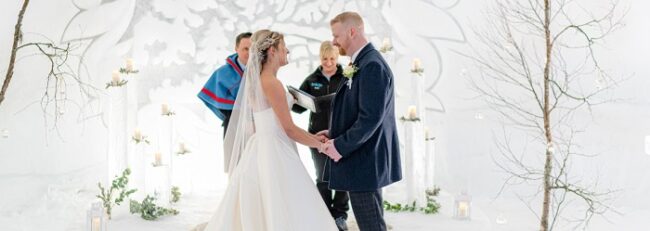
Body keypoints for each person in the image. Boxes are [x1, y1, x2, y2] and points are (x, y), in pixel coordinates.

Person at [201, 29, 338, 231]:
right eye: (284, 48)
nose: (287, 51)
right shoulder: (271, 83)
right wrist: (320, 145)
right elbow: (289, 129)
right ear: (272, 51)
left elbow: (271, 123)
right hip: (274, 149)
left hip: (262, 145)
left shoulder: (258, 80)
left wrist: (312, 136)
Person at [319, 12, 402, 231]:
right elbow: (356, 108)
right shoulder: (362, 62)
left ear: (352, 31)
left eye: (336, 36)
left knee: (371, 226)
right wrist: (334, 131)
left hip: (364, 162)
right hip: (363, 161)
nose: (334, 42)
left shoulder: (372, 65)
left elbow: (370, 118)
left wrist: (339, 145)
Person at [291, 41, 349, 230]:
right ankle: (324, 215)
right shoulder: (311, 79)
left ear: (337, 58)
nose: (329, 62)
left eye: (332, 58)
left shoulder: (346, 77)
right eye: (325, 59)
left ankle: (340, 216)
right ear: (320, 58)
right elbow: (299, 108)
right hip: (316, 135)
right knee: (322, 176)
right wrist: (293, 99)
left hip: (341, 134)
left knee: (341, 176)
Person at [198, 32, 251, 171]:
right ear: (236, 48)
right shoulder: (222, 73)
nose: (249, 52)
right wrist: (237, 114)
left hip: (257, 124)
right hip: (233, 124)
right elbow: (214, 99)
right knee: (235, 166)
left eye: (252, 48)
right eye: (245, 48)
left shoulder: (261, 70)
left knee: (254, 167)